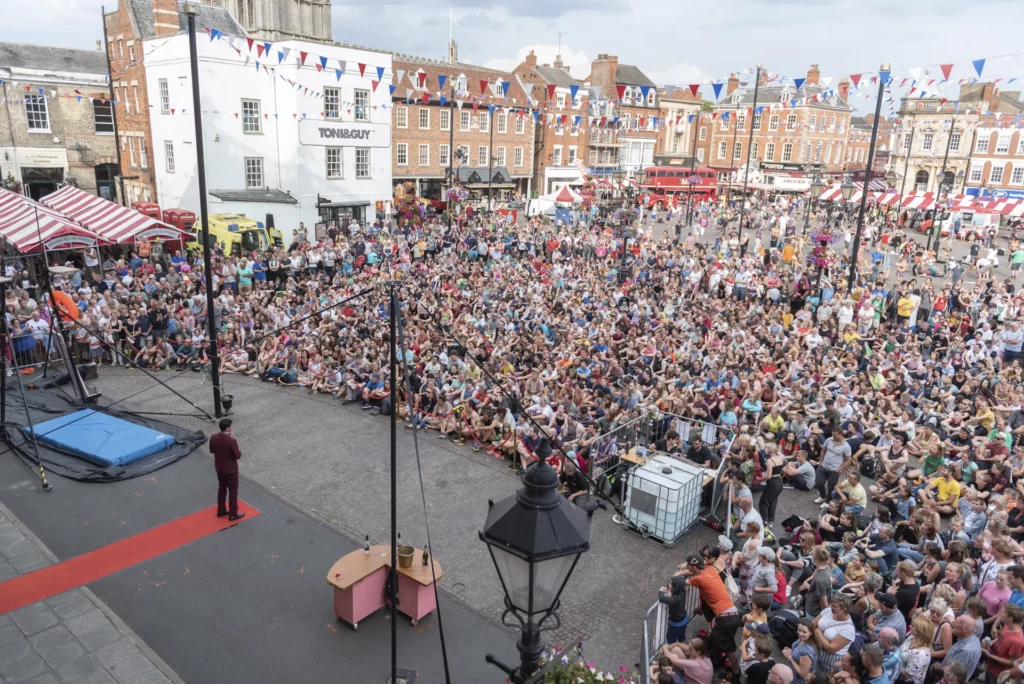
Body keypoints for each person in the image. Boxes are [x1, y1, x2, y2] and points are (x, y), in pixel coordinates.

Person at [209, 418, 245, 521]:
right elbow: (237, 456)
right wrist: (239, 451)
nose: (231, 428)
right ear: (227, 428)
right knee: (233, 491)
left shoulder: (213, 437)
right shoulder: (231, 441)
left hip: (219, 468)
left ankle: (221, 510)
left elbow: (212, 450)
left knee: (222, 488)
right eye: (230, 426)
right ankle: (233, 514)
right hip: (231, 470)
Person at [812, 595, 857, 675]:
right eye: (831, 604)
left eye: (834, 606)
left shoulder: (849, 629)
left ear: (844, 609)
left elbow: (831, 648)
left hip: (829, 659)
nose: (830, 607)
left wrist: (818, 632)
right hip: (816, 649)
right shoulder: (828, 611)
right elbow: (812, 624)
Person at [987, 604, 1024, 684]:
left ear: (1010, 618)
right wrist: (993, 642)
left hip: (998, 674)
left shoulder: (1016, 641)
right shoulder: (1007, 626)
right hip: (991, 667)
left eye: (1003, 612)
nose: (1000, 613)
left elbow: (1012, 662)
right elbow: (1002, 638)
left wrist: (989, 655)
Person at [942, 615, 982, 680]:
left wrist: (938, 669)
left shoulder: (966, 650)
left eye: (956, 622)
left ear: (965, 629)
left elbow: (952, 673)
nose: (953, 623)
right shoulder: (970, 638)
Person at [782, 619, 818, 684]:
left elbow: (802, 674)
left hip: (796, 681)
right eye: (799, 630)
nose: (800, 634)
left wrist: (790, 657)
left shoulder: (807, 651)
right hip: (790, 674)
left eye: (804, 632)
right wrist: (790, 650)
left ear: (811, 633)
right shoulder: (802, 639)